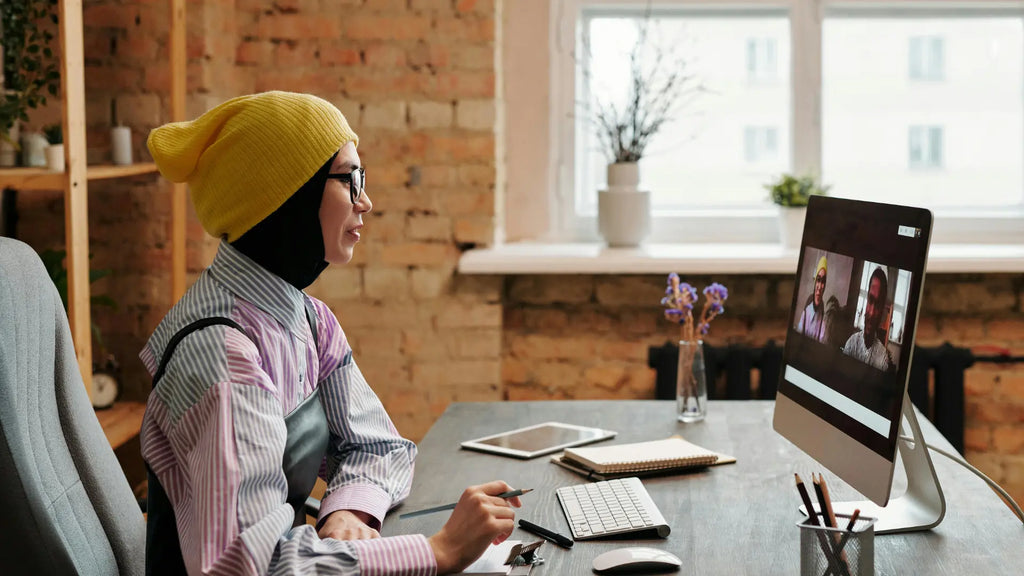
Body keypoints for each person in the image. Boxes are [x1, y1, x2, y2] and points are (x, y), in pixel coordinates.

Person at [141, 91, 520, 576]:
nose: (366, 200)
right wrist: (441, 550)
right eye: (349, 178)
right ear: (285, 196)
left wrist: (348, 509)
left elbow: (379, 445)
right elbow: (251, 566)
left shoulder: (309, 319)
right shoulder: (222, 356)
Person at [842, 266, 894, 372]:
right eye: (871, 300)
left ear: (882, 311)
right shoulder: (851, 344)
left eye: (878, 305)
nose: (871, 312)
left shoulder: (882, 357)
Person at [796, 255, 828, 343]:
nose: (820, 286)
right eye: (818, 280)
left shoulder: (822, 322)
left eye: (823, 281)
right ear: (815, 282)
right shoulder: (806, 312)